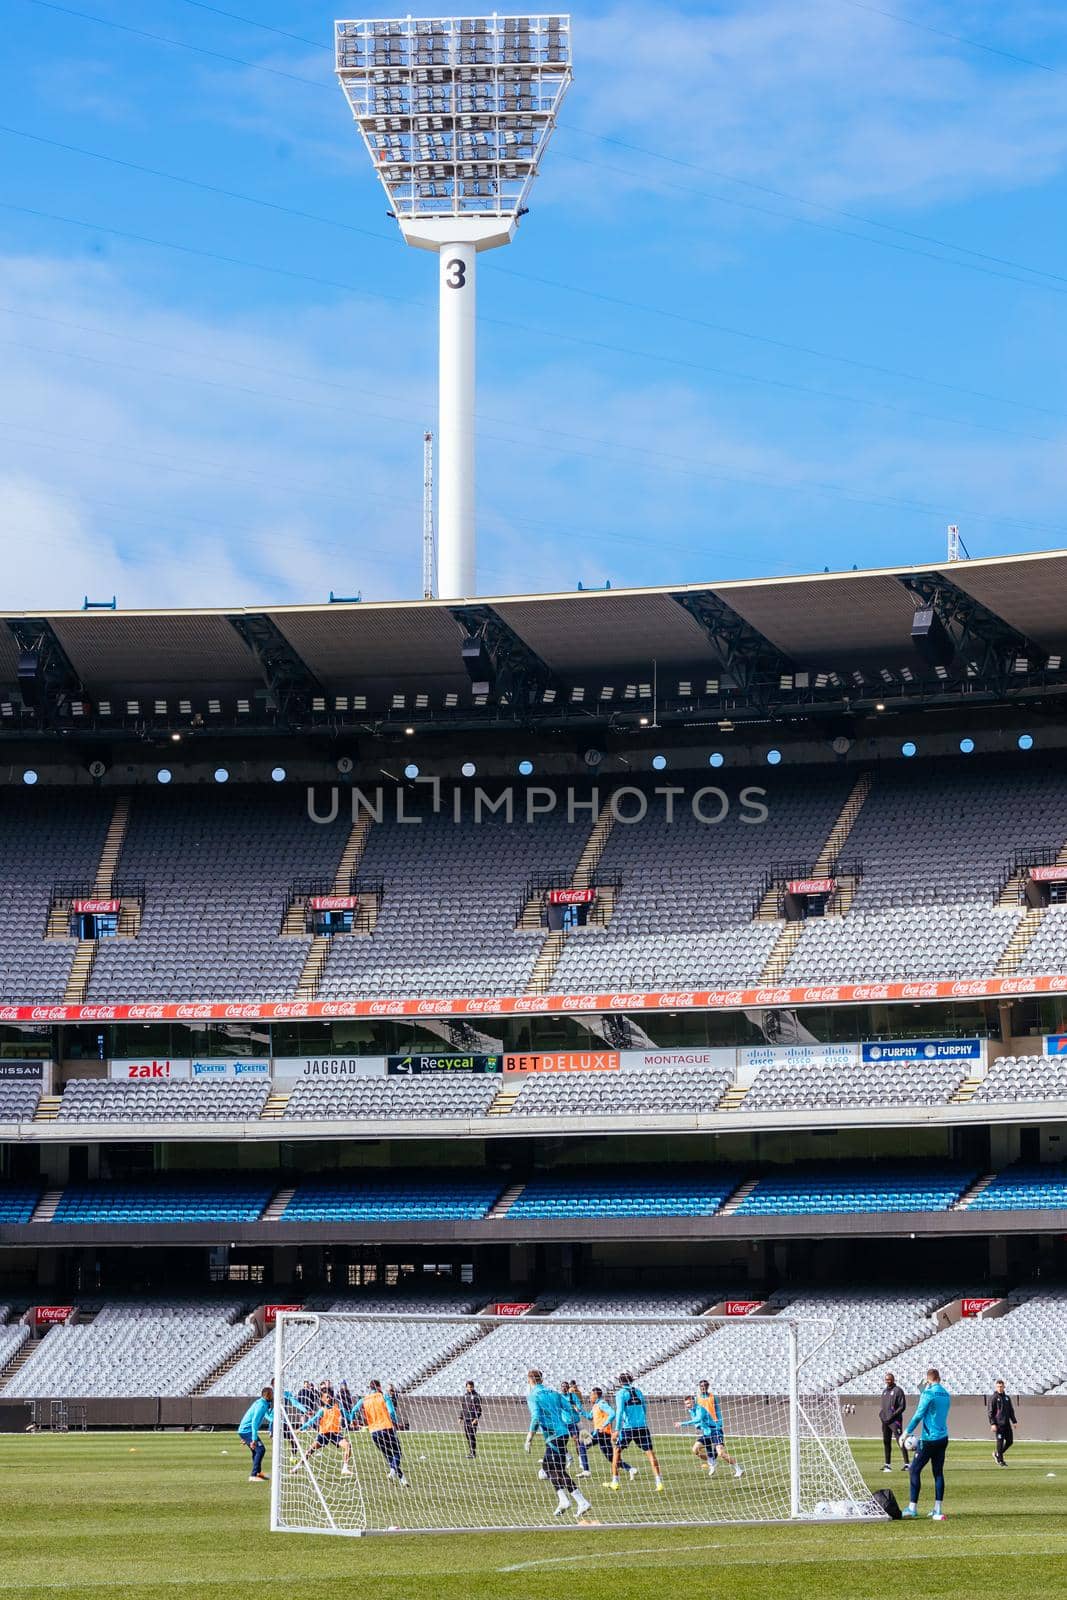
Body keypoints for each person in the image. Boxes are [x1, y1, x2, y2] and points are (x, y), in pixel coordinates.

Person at [525, 1369, 592, 1519]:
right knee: (549, 1468)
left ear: (530, 1380)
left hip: (554, 1436)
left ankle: (580, 1502)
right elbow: (570, 1409)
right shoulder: (554, 1393)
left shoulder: (533, 1396)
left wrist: (529, 1437)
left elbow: (536, 1417)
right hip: (562, 1433)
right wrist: (581, 1427)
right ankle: (564, 1500)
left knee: (555, 1470)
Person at [901, 1368, 950, 1520]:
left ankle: (912, 1507)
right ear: (939, 1378)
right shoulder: (946, 1394)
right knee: (938, 1473)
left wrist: (906, 1432)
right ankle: (937, 1508)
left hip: (929, 1439)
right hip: (943, 1437)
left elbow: (918, 1415)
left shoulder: (928, 1393)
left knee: (914, 1469)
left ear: (928, 1380)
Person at [609, 1372, 663, 1493]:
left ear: (620, 1382)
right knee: (649, 1453)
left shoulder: (620, 1393)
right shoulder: (638, 1391)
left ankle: (615, 1481)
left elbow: (619, 1411)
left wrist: (617, 1429)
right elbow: (644, 1407)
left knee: (616, 1451)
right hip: (642, 1426)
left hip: (628, 1428)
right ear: (631, 1380)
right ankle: (658, 1482)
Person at [349, 1379, 408, 1485]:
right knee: (397, 1452)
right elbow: (391, 1412)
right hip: (387, 1428)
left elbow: (353, 1410)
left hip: (374, 1432)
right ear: (379, 1387)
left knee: (388, 1455)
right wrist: (394, 1422)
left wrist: (352, 1421)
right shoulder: (384, 1396)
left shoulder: (364, 1399)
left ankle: (402, 1479)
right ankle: (393, 1472)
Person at [295, 1383, 354, 1476]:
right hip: (324, 1434)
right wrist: (301, 1429)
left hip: (335, 1434)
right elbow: (312, 1421)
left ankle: (345, 1468)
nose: (328, 1398)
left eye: (329, 1396)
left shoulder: (338, 1407)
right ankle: (298, 1466)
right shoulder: (322, 1410)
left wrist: (351, 1420)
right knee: (310, 1450)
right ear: (323, 1399)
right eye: (326, 1397)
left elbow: (347, 1415)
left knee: (347, 1445)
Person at [696, 1380, 743, 1478]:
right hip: (706, 1429)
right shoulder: (697, 1398)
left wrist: (719, 1423)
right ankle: (712, 1463)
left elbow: (717, 1411)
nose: (703, 1387)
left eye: (705, 1385)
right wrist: (698, 1424)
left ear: (708, 1386)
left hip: (715, 1428)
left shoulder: (713, 1397)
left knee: (721, 1453)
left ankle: (738, 1469)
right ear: (699, 1387)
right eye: (701, 1386)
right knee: (696, 1449)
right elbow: (696, 1413)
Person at [590, 1386, 633, 1475]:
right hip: (600, 1432)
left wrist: (603, 1425)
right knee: (610, 1456)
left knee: (582, 1445)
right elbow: (589, 1417)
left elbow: (613, 1413)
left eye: (591, 1395)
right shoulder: (595, 1406)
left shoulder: (602, 1403)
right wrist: (579, 1410)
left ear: (596, 1395)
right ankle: (630, 1469)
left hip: (602, 1432)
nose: (590, 1397)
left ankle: (585, 1470)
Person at [237, 1385, 273, 1482]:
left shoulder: (263, 1403)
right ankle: (253, 1475)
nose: (273, 1396)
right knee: (260, 1450)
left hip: (245, 1430)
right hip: (247, 1430)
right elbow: (254, 1422)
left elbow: (268, 1417)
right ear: (268, 1395)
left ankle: (258, 1473)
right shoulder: (261, 1405)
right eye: (272, 1394)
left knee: (257, 1451)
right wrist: (253, 1439)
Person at [878, 1372, 909, 1473]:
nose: (888, 1381)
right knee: (886, 1442)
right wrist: (882, 1415)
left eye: (889, 1379)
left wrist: (893, 1415)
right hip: (885, 1422)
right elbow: (883, 1407)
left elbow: (902, 1406)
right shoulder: (884, 1392)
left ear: (893, 1379)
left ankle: (907, 1464)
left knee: (900, 1441)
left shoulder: (898, 1391)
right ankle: (887, 1465)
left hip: (895, 1421)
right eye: (886, 1379)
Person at [562, 1380, 592, 1476]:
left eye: (565, 1386)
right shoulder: (559, 1397)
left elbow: (579, 1406)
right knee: (560, 1441)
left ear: (568, 1388)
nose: (564, 1388)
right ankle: (569, 1457)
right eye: (562, 1386)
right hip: (563, 1422)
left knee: (577, 1440)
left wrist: (576, 1407)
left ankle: (581, 1462)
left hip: (574, 1421)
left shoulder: (573, 1396)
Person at [988, 1380, 1017, 1467]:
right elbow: (990, 1412)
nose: (1000, 1388)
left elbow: (1011, 1411)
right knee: (1000, 1442)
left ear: (1004, 1387)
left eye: (1001, 1386)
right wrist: (993, 1423)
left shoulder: (1007, 1398)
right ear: (996, 1387)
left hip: (1006, 1423)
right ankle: (1001, 1460)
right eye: (998, 1387)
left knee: (1010, 1441)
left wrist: (1014, 1421)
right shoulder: (993, 1398)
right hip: (998, 1424)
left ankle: (997, 1454)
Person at [460, 1379, 482, 1459]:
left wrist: (476, 1418)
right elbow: (463, 1407)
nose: (470, 1388)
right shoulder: (465, 1396)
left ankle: (473, 1453)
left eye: (471, 1387)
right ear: (466, 1387)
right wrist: (460, 1417)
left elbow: (479, 1408)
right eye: (468, 1387)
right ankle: (471, 1452)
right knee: (467, 1436)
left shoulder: (476, 1396)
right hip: (466, 1419)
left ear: (473, 1387)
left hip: (473, 1420)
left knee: (471, 1436)